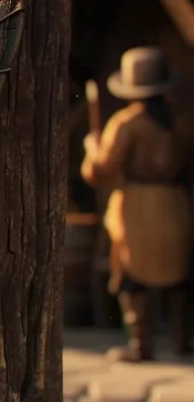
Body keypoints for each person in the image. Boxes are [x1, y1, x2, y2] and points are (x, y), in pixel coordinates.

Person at [82, 46, 192, 362]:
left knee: (132, 278)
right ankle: (182, 339)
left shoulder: (127, 123)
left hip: (138, 210)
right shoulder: (182, 123)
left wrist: (92, 148)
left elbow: (99, 171)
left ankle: (141, 345)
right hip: (175, 205)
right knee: (178, 278)